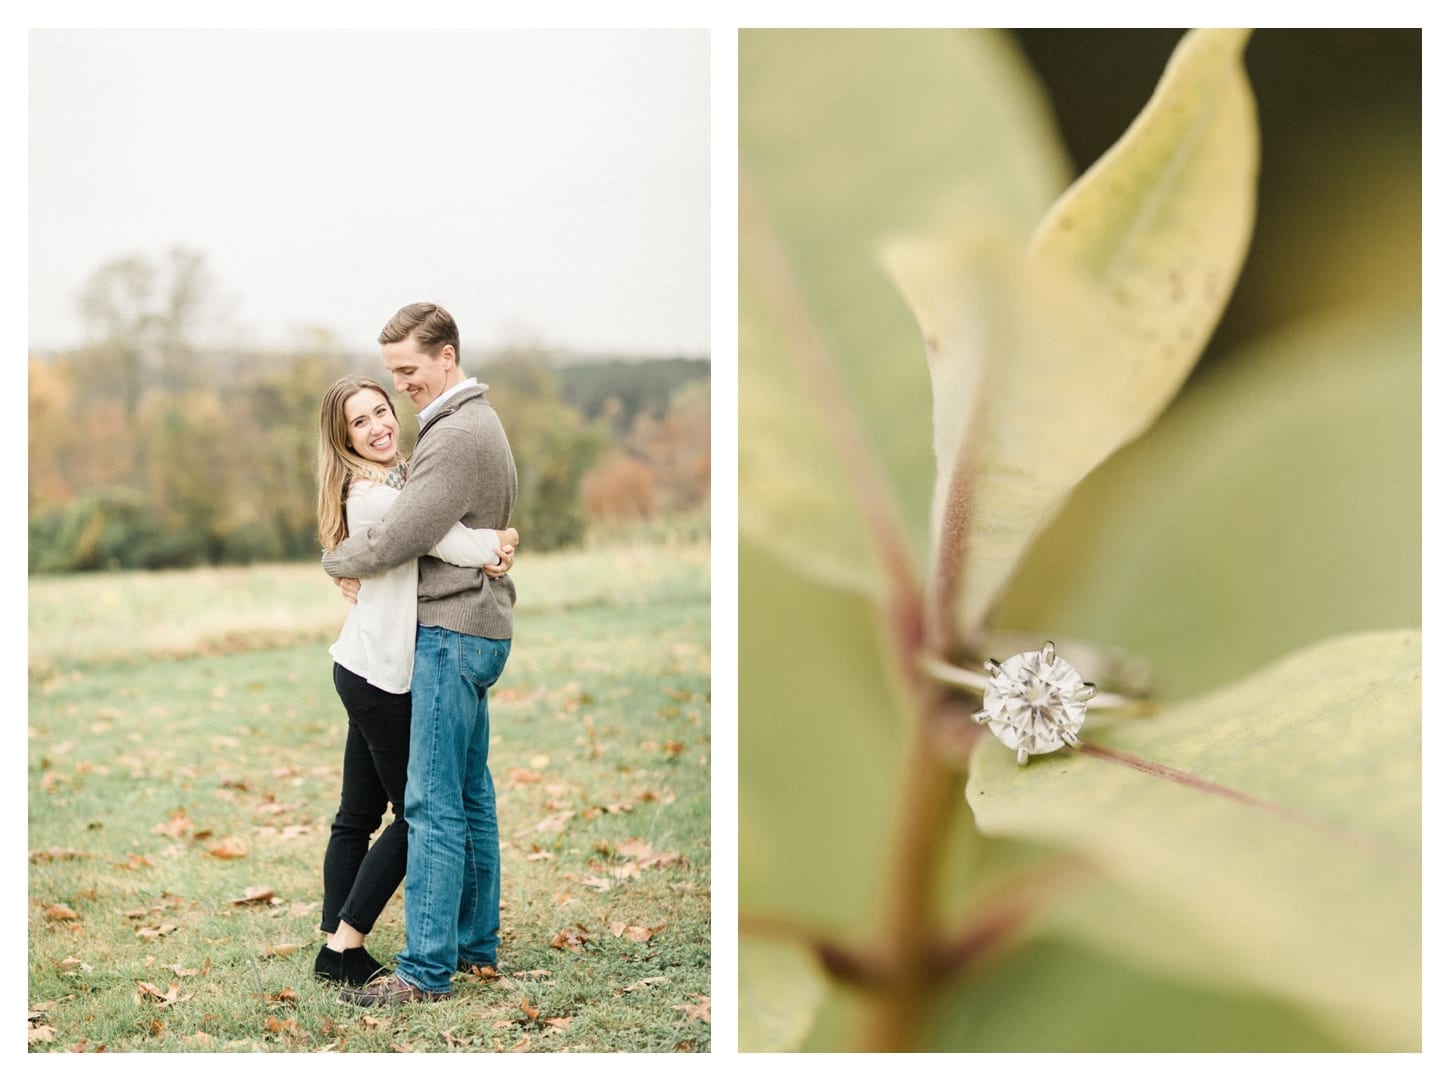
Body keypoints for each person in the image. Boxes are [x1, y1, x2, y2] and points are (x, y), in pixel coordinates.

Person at [322, 302, 518, 1006]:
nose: (401, 385)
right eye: (391, 372)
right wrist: (496, 543)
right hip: (476, 627)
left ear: (446, 354)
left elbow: (404, 533)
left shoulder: (453, 432)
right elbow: (446, 528)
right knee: (469, 797)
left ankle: (427, 970)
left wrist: (333, 558)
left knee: (431, 806)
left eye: (407, 369)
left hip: (449, 631)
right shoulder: (471, 423)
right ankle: (474, 946)